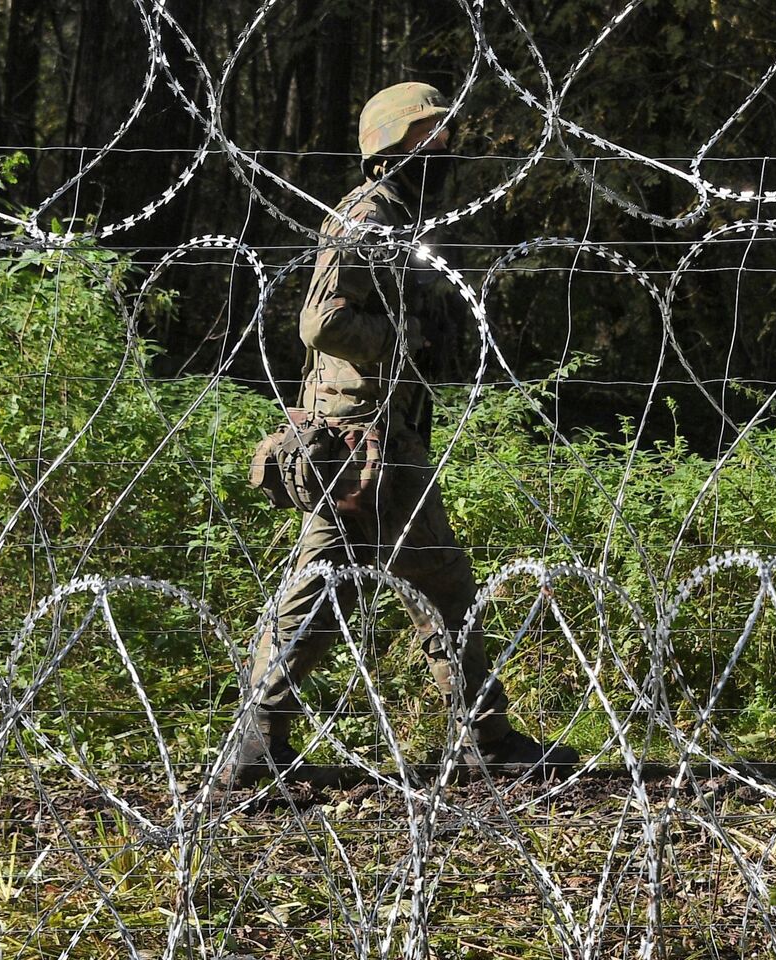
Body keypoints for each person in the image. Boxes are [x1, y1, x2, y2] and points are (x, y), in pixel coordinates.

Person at [220, 81, 580, 786]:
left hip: (379, 433)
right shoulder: (370, 215)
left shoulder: (402, 217)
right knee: (409, 581)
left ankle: (263, 742)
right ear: (391, 146)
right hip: (363, 441)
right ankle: (483, 737)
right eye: (428, 133)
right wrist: (403, 339)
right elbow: (320, 323)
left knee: (356, 584)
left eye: (444, 130)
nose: (443, 144)